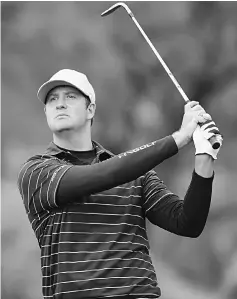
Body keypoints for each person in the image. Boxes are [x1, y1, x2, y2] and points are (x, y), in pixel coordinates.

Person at [17, 69, 222, 299]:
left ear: (90, 109)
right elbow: (99, 176)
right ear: (46, 112)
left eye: (70, 96)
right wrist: (178, 139)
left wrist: (205, 155)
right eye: (52, 99)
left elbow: (188, 223)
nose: (60, 104)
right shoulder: (36, 172)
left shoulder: (137, 174)